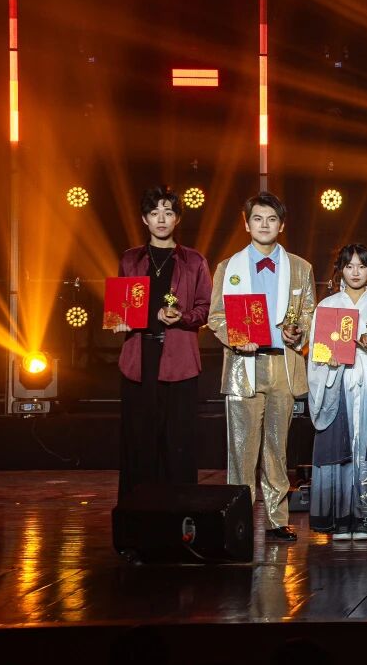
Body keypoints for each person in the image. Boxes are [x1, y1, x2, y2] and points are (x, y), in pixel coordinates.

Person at [207, 192, 314, 542]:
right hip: (244, 366)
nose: (264, 225)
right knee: (241, 449)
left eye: (271, 219)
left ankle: (277, 519)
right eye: (257, 218)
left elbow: (309, 312)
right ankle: (237, 520)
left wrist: (299, 331)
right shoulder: (228, 267)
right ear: (246, 223)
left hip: (283, 365)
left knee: (277, 448)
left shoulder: (300, 267)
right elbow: (215, 316)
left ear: (281, 225)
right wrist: (237, 338)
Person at [114, 186, 211, 500]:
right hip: (138, 359)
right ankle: (137, 514)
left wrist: (182, 316)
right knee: (138, 443)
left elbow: (206, 308)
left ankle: (181, 515)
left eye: (168, 213)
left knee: (178, 443)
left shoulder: (194, 261)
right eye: (154, 213)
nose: (161, 219)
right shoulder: (130, 259)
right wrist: (120, 318)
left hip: (179, 361)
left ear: (177, 218)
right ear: (144, 218)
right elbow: (122, 305)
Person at [306, 244, 367, 540]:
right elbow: (317, 352)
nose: (356, 272)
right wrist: (327, 361)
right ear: (340, 270)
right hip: (338, 382)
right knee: (339, 446)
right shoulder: (327, 306)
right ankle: (340, 521)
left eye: (362, 266)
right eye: (349, 266)